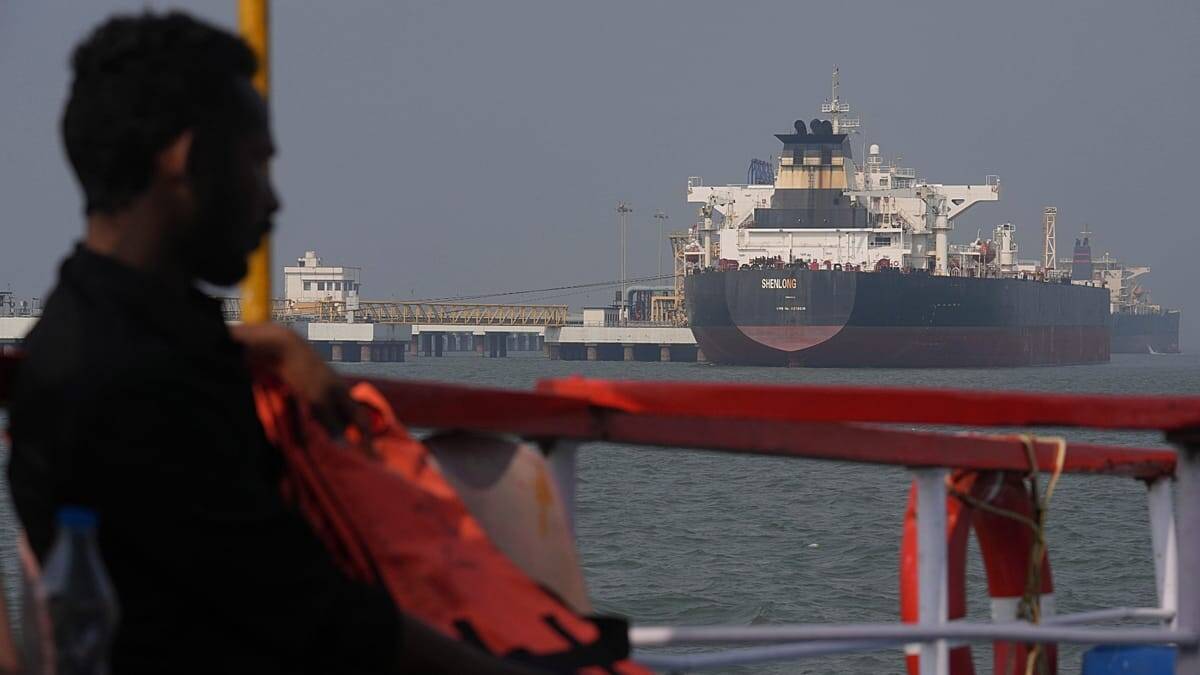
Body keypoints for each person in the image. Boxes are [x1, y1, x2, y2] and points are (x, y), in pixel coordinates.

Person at [7, 12, 549, 674]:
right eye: (256, 163)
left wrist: (265, 341)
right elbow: (320, 620)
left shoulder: (96, 333)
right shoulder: (135, 388)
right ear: (187, 160)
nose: (272, 201)